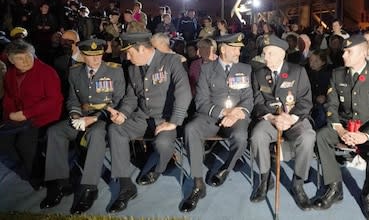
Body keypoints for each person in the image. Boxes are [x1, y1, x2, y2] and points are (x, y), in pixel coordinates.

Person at [313, 34, 369, 220]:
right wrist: (340, 130)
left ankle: (368, 194)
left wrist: (364, 135)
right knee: (322, 136)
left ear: (363, 53)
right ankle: (335, 187)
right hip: (344, 128)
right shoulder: (337, 74)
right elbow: (331, 105)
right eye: (344, 51)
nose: (344, 55)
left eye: (349, 51)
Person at [106, 32, 191, 213]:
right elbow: (131, 98)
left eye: (130, 53)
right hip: (142, 118)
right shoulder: (132, 68)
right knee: (115, 129)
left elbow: (184, 92)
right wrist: (122, 114)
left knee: (162, 144)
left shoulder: (171, 61)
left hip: (165, 119)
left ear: (143, 49)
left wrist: (174, 122)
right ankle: (126, 186)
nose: (127, 57)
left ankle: (158, 169)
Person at [40, 39, 125, 214]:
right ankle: (60, 183)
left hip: (104, 117)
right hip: (82, 115)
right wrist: (75, 114)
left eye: (99, 55)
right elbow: (72, 99)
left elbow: (119, 102)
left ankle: (89, 188)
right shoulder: (75, 72)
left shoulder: (115, 71)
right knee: (55, 132)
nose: (96, 59)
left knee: (96, 135)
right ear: (83, 56)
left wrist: (94, 118)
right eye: (91, 56)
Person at [179, 33, 253, 213]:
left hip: (237, 117)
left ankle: (226, 167)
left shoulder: (245, 68)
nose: (238, 52)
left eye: (239, 48)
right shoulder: (207, 69)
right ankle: (198, 184)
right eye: (234, 48)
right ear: (223, 49)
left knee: (241, 137)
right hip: (212, 116)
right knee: (190, 129)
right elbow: (202, 102)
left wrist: (235, 115)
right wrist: (223, 112)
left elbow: (248, 100)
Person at [250, 34, 316, 211]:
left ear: (281, 54)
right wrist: (272, 118)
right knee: (257, 136)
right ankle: (265, 179)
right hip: (271, 119)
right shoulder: (258, 74)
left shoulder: (297, 71)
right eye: (264, 53)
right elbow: (256, 103)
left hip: (294, 119)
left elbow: (306, 101)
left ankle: (298, 183)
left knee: (308, 137)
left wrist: (291, 118)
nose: (265, 57)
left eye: (269, 53)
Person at [0, 40, 63, 188]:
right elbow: (9, 97)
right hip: (21, 117)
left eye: (28, 56)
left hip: (44, 118)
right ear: (11, 60)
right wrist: (8, 116)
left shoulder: (47, 72)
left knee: (24, 144)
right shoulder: (10, 74)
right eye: (20, 59)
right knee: (4, 142)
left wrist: (26, 114)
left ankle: (38, 176)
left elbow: (54, 100)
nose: (26, 61)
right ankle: (32, 166)